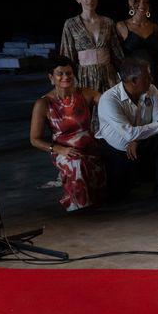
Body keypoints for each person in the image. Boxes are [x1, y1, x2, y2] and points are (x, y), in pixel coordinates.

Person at [29, 56, 106, 211]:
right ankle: (80, 206)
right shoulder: (43, 103)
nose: (65, 77)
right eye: (60, 73)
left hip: (91, 146)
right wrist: (59, 149)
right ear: (51, 78)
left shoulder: (85, 94)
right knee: (75, 163)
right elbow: (34, 140)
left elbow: (109, 102)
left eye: (69, 73)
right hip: (64, 150)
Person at [96, 58, 158, 200]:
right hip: (116, 150)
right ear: (133, 81)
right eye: (147, 77)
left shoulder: (151, 89)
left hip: (141, 142)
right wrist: (157, 126)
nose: (151, 79)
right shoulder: (109, 99)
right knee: (118, 196)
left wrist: (136, 139)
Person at [60, 0, 124, 93]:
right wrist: (67, 80)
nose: (90, 0)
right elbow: (67, 55)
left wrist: (125, 74)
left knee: (108, 103)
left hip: (108, 76)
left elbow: (116, 51)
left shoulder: (108, 22)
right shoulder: (71, 24)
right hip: (84, 77)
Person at [117, 0, 158, 100]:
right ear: (130, 2)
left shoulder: (155, 27)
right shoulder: (121, 26)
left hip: (154, 77)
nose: (142, 5)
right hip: (133, 80)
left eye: (146, 2)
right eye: (137, 1)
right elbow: (117, 57)